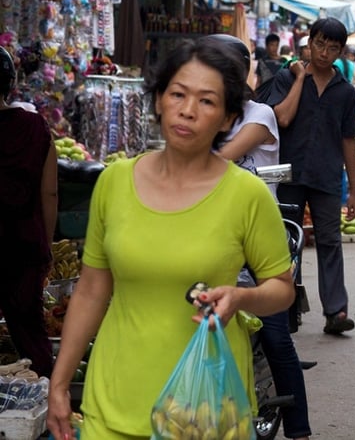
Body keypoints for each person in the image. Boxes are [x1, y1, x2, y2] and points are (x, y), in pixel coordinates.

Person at [47, 39, 295, 439]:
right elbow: (92, 288)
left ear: (229, 118)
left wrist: (242, 298)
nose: (188, 110)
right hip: (114, 398)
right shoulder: (114, 182)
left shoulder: (245, 195)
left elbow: (282, 289)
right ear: (159, 100)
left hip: (207, 408)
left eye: (207, 101)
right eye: (177, 94)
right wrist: (59, 384)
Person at [210, 34, 311, 440]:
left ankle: (300, 428)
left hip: (259, 239)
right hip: (213, 235)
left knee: (273, 336)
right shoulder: (205, 115)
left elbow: (219, 160)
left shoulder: (260, 115)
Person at [257, 18, 355, 336]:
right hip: (289, 173)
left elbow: (348, 141)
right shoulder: (286, 78)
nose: (324, 53)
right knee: (288, 243)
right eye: (319, 44)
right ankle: (286, 310)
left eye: (332, 48)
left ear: (341, 51)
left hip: (326, 177)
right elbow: (282, 117)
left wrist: (353, 191)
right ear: (309, 41)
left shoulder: (345, 92)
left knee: (330, 242)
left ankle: (335, 311)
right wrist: (300, 78)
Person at [0, 46, 56, 380]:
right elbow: (49, 192)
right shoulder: (35, 127)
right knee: (30, 332)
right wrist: (45, 246)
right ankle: (48, 401)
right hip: (23, 246)